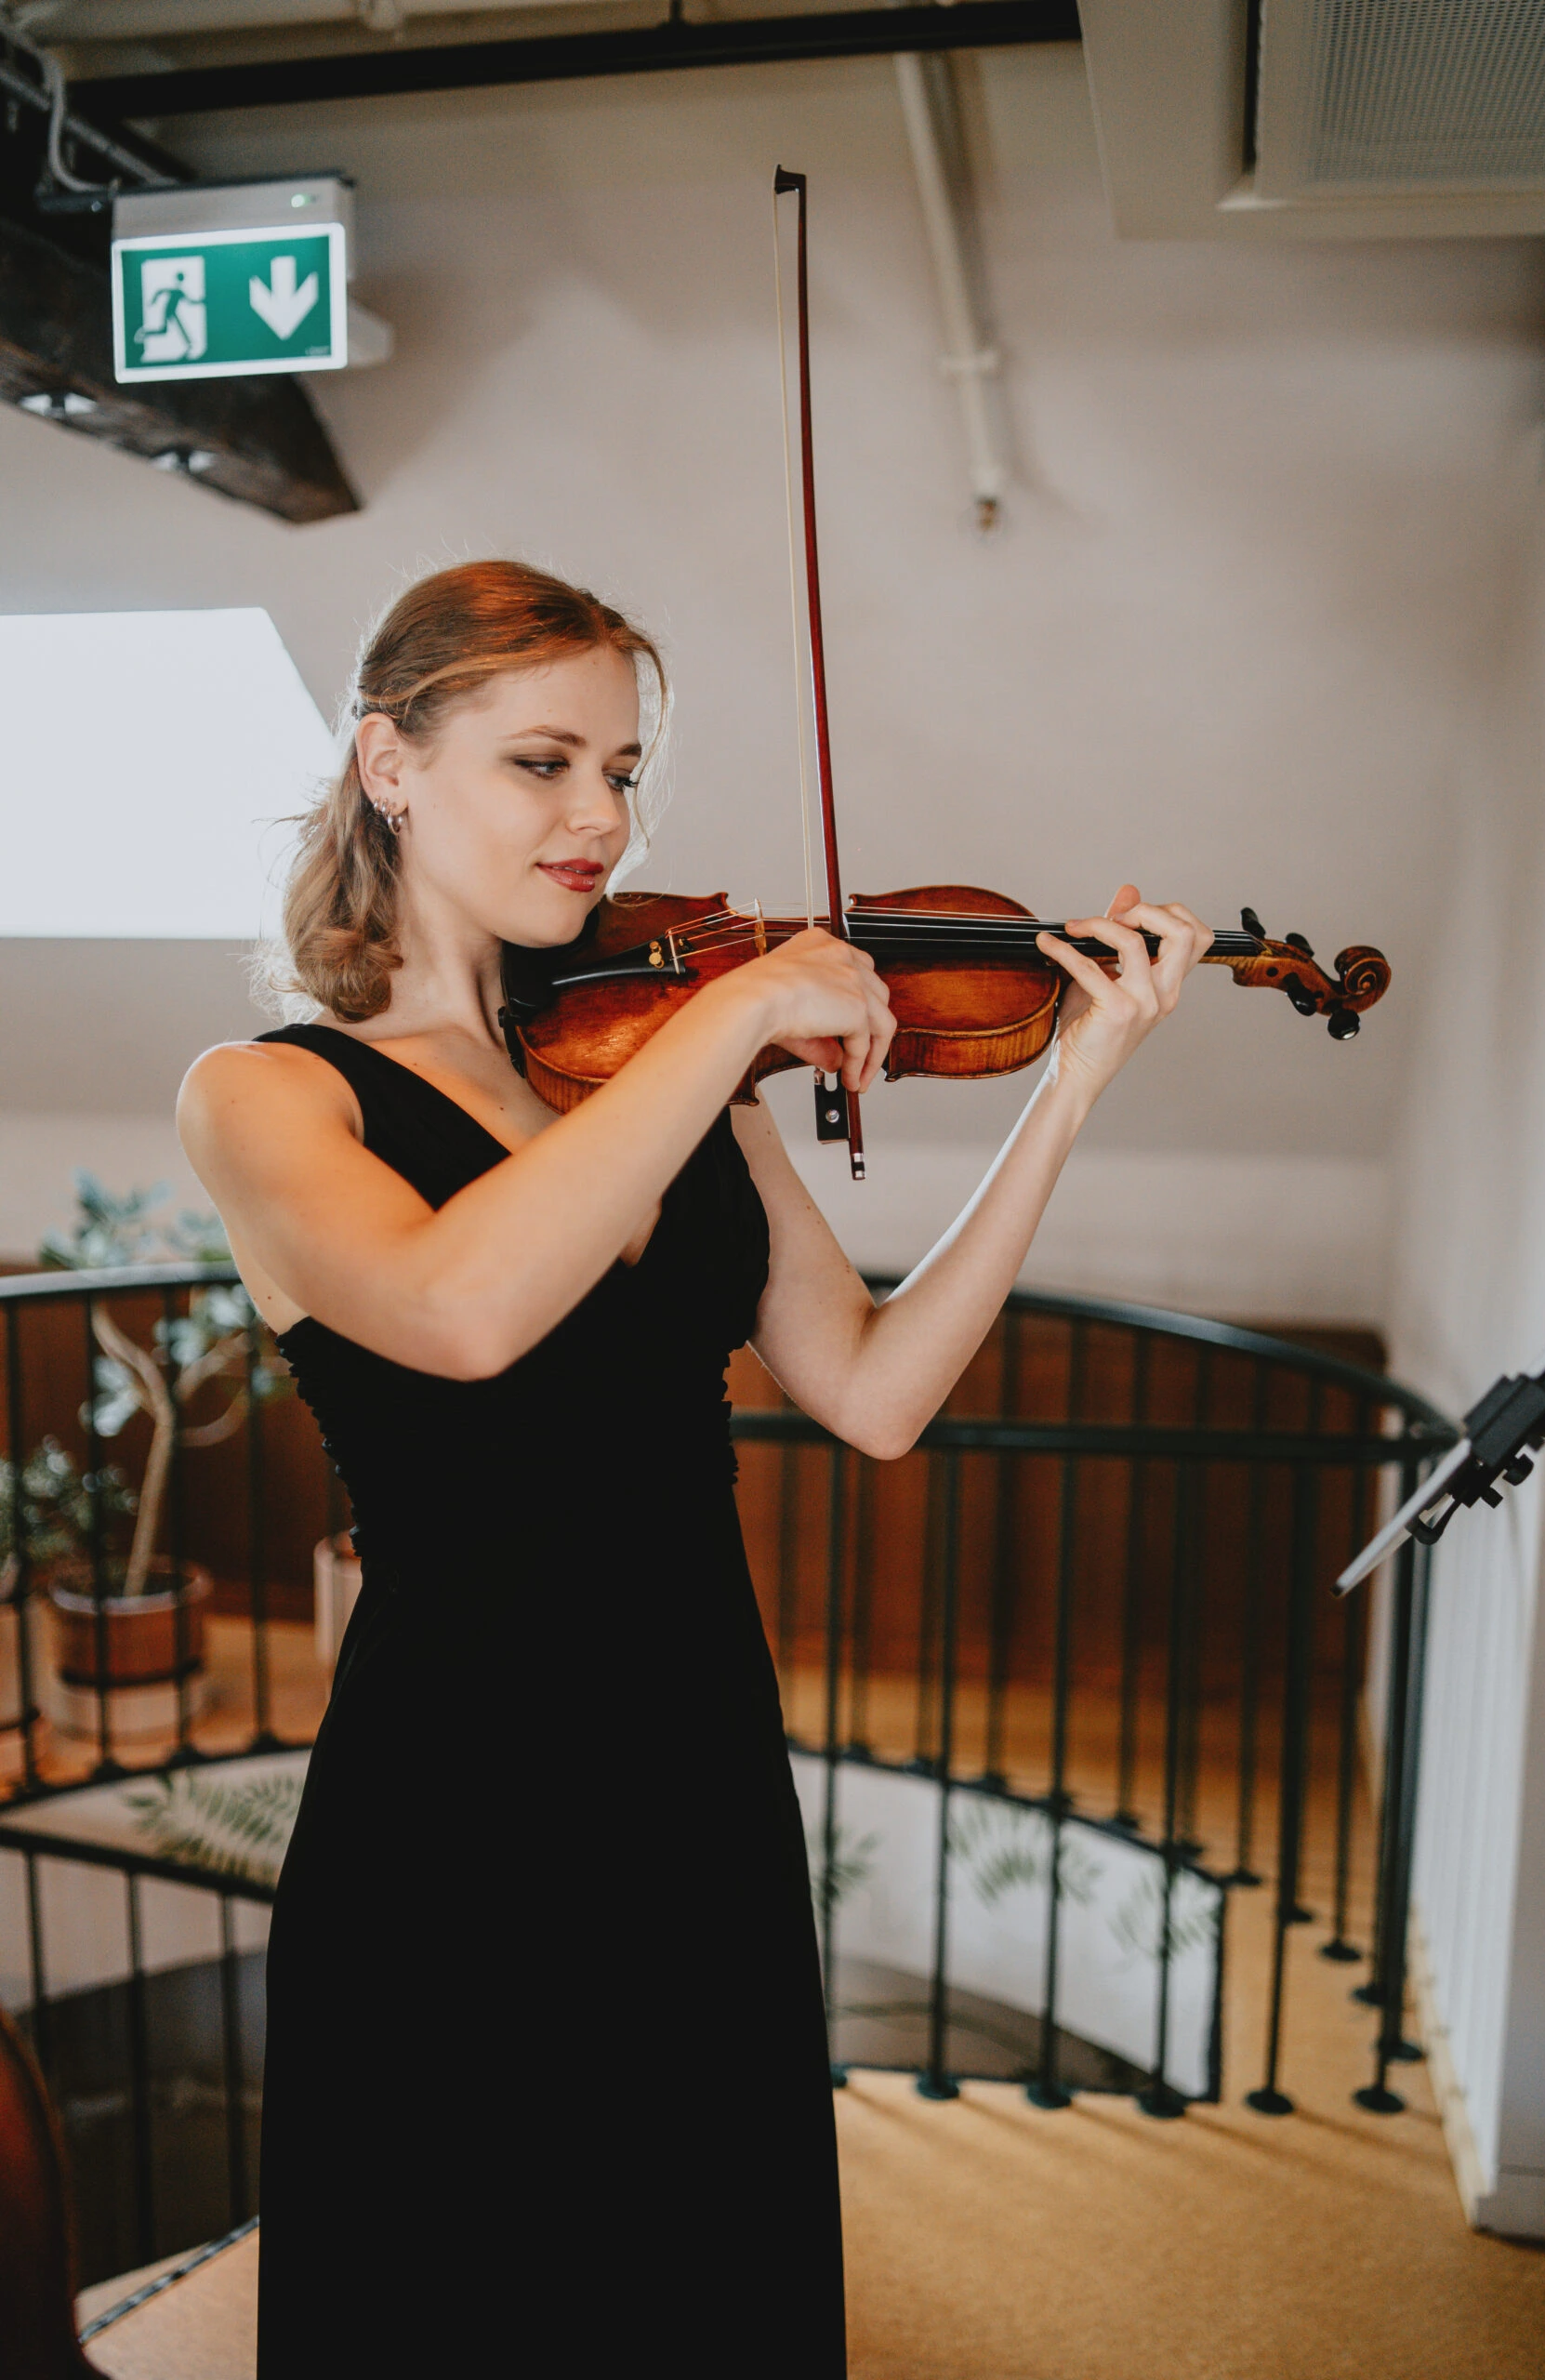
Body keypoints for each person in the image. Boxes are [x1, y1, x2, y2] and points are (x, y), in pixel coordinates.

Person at [178, 559, 1211, 2375]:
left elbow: (876, 1389)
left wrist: (1073, 1079)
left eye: (626, 769)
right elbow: (464, 1307)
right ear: (390, 763)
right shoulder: (274, 1093)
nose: (601, 816)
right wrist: (735, 1020)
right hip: (459, 1798)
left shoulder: (651, 1060)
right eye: (544, 761)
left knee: (694, 2274)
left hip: (695, 1764)